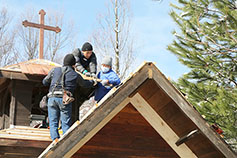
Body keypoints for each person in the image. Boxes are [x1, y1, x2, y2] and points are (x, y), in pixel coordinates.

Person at [42, 54, 96, 143]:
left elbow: (44, 82)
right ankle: (65, 142)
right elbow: (85, 84)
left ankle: (55, 139)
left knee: (53, 122)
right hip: (64, 100)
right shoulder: (75, 74)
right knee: (65, 123)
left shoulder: (54, 70)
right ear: (73, 64)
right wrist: (93, 82)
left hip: (52, 98)